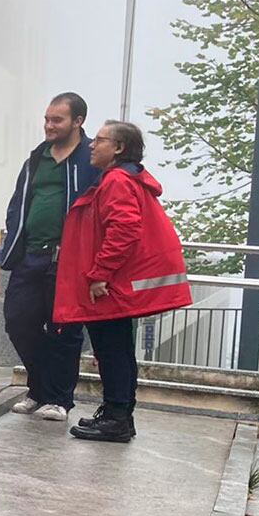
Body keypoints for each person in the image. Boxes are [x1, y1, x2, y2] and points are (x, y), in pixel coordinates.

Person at [54, 122, 191, 442]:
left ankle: (116, 417)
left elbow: (123, 230)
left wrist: (100, 274)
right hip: (119, 282)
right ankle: (118, 413)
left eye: (100, 141)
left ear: (118, 148)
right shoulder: (126, 178)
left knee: (112, 349)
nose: (91, 145)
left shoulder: (116, 180)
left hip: (111, 284)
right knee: (118, 349)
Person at [2, 92, 100, 421]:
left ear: (78, 121)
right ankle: (39, 387)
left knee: (64, 330)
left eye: (57, 120)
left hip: (68, 260)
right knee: (18, 321)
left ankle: (59, 398)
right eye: (46, 119)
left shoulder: (91, 159)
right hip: (30, 255)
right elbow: (18, 201)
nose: (49, 125)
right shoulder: (37, 158)